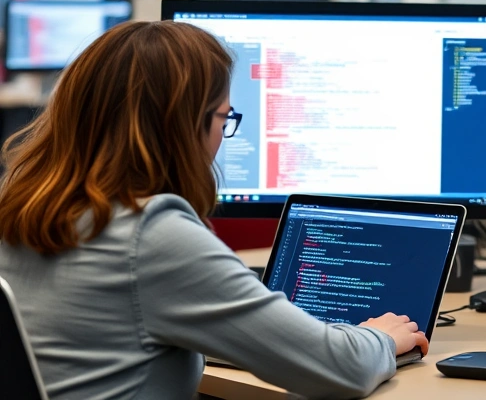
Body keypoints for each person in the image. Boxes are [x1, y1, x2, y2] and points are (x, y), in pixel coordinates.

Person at [0, 21, 427, 400]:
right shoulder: (149, 233)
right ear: (185, 127)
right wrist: (379, 338)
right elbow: (338, 369)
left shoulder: (20, 204)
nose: (224, 135)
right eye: (225, 119)